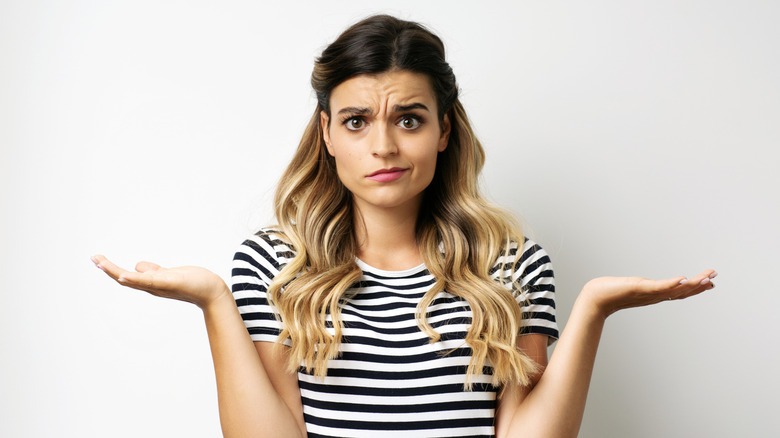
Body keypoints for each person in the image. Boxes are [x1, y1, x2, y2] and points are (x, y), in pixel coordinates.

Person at [92, 14, 716, 438]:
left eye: (410, 119)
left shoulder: (513, 264)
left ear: (444, 131)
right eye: (358, 121)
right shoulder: (271, 263)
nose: (384, 145)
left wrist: (592, 311)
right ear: (328, 135)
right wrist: (213, 301)